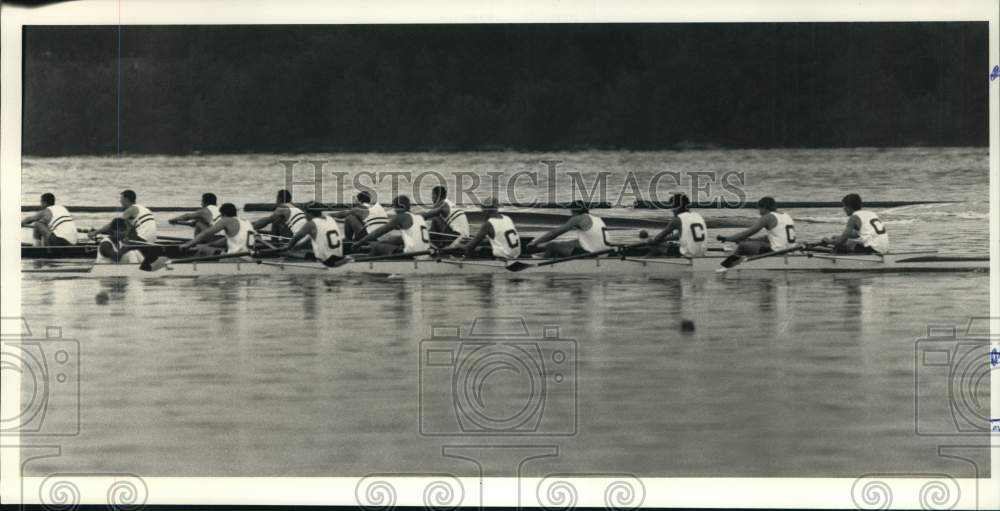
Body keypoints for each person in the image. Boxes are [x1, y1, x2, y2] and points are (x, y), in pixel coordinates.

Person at [526, 201, 609, 258]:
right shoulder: (597, 218)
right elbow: (581, 242)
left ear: (574, 211)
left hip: (593, 254)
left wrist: (534, 243)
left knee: (552, 246)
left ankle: (547, 267)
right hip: (605, 252)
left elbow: (554, 233)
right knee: (566, 243)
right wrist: (562, 244)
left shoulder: (578, 218)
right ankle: (546, 253)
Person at [716, 197, 795, 255]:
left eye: (759, 209)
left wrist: (727, 238)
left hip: (777, 252)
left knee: (743, 245)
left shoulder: (767, 217)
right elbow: (770, 237)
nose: (759, 212)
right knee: (752, 243)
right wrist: (750, 240)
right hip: (791, 251)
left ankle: (727, 265)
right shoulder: (786, 216)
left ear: (764, 208)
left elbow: (745, 234)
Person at [356, 195, 429, 256]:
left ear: (400, 207)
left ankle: (371, 264)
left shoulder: (401, 217)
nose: (394, 211)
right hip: (425, 253)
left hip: (413, 255)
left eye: (394, 207)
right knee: (394, 239)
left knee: (375, 245)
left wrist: (359, 243)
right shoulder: (418, 216)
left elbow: (377, 232)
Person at [821, 193, 890, 254]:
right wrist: (837, 237)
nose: (843, 209)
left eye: (844, 206)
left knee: (847, 244)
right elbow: (856, 234)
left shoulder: (854, 218)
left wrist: (828, 241)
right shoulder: (871, 213)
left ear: (849, 207)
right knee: (847, 241)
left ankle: (838, 261)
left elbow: (841, 241)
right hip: (885, 249)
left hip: (875, 250)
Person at [179, 203, 255, 257]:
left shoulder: (226, 220)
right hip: (249, 256)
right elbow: (227, 240)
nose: (220, 218)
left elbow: (205, 234)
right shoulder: (246, 221)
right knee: (207, 247)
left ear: (224, 214)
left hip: (236, 258)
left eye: (221, 215)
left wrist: (188, 245)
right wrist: (209, 244)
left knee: (203, 249)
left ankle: (192, 266)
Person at [644, 193, 707, 257]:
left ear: (677, 208)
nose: (672, 210)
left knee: (654, 247)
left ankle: (645, 262)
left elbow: (659, 238)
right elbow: (681, 234)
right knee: (670, 246)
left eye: (672, 207)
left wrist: (651, 241)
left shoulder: (677, 220)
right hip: (701, 253)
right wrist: (666, 239)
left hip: (688, 255)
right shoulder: (697, 216)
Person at [89, 189, 157, 243]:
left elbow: (113, 224)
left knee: (115, 240)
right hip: (152, 239)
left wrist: (96, 232)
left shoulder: (131, 209)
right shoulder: (143, 208)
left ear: (126, 199)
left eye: (121, 198)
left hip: (142, 239)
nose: (120, 201)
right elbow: (120, 229)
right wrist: (100, 231)